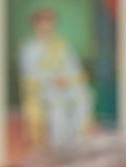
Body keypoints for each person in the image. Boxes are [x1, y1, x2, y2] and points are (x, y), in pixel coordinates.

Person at [19, 8, 94, 152]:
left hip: (65, 84)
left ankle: (77, 143)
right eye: (43, 24)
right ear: (36, 26)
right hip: (43, 88)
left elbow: (73, 66)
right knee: (58, 106)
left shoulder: (61, 44)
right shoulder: (29, 48)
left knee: (83, 96)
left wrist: (68, 78)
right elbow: (29, 73)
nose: (46, 28)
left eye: (49, 24)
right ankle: (59, 147)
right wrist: (52, 79)